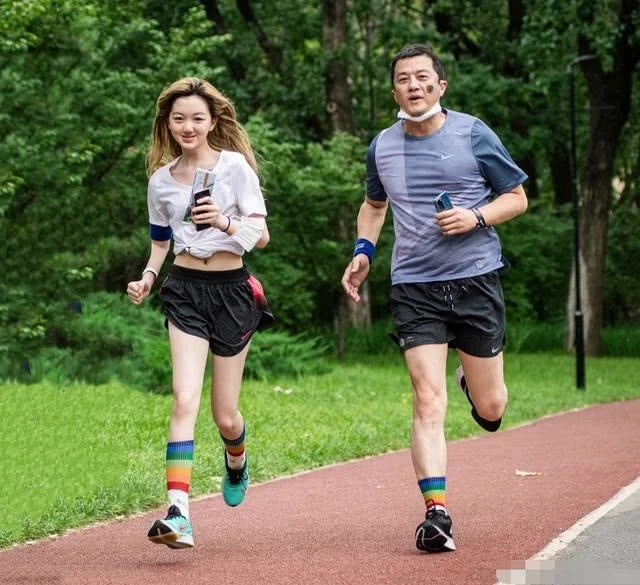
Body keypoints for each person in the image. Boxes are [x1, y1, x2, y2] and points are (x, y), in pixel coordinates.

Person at [341, 44, 528, 553]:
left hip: (475, 279)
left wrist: (476, 217)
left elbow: (517, 197)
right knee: (426, 398)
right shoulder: (382, 145)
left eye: (423, 77)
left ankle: (473, 381)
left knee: (491, 408)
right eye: (404, 79)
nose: (414, 85)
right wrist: (363, 252)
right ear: (395, 90)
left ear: (440, 86)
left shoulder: (473, 133)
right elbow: (374, 205)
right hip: (414, 285)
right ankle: (436, 513)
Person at [126, 77, 273, 549]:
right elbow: (160, 242)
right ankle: (178, 513)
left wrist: (222, 221)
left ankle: (237, 458)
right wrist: (148, 276)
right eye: (178, 119)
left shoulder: (235, 168)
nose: (187, 127)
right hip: (185, 289)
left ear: (212, 122)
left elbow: (261, 236)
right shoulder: (160, 181)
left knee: (224, 415)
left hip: (233, 291)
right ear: (167, 124)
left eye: (196, 118)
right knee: (183, 398)